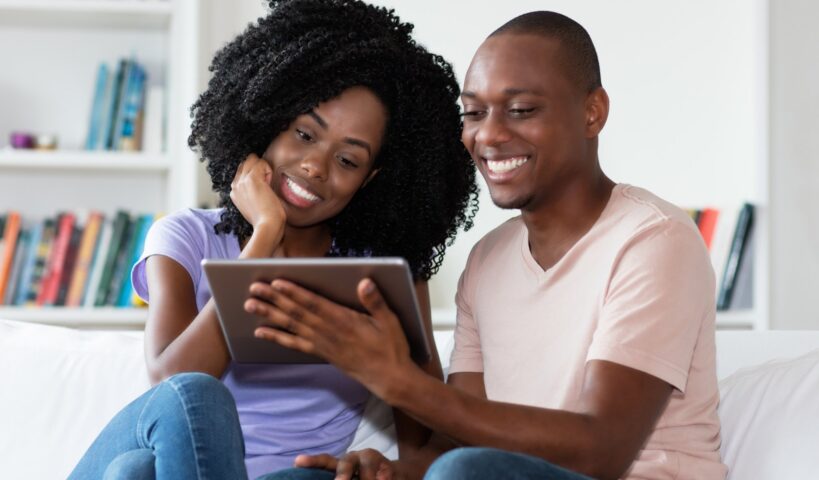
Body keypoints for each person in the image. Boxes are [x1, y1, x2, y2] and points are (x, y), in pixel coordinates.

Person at [248, 10, 728, 480]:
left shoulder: (653, 239)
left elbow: (600, 451)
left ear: (592, 112)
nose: (490, 135)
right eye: (474, 113)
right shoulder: (486, 262)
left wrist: (400, 381)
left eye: (521, 110)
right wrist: (393, 470)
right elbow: (456, 439)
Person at [68, 0, 479, 478]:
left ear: (371, 180)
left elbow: (426, 435)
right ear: (268, 119)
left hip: (296, 474)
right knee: (173, 423)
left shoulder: (383, 274)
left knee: (134, 473)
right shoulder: (183, 237)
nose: (315, 166)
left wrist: (381, 466)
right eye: (304, 134)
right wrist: (263, 237)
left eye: (347, 161)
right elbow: (173, 382)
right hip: (174, 450)